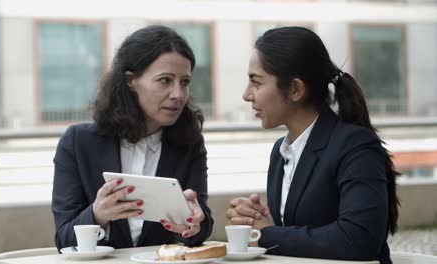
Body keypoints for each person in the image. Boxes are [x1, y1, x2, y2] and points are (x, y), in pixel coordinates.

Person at [225, 27, 399, 264]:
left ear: (295, 89)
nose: (246, 95)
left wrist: (267, 234)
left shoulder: (355, 146)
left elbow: (358, 239)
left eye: (256, 82)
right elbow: (294, 232)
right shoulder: (281, 151)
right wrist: (257, 219)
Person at [52, 25, 213, 250]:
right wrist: (97, 215)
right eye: (165, 80)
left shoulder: (190, 144)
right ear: (131, 81)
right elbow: (63, 239)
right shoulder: (78, 143)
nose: (178, 94)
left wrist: (195, 224)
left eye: (184, 82)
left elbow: (201, 228)